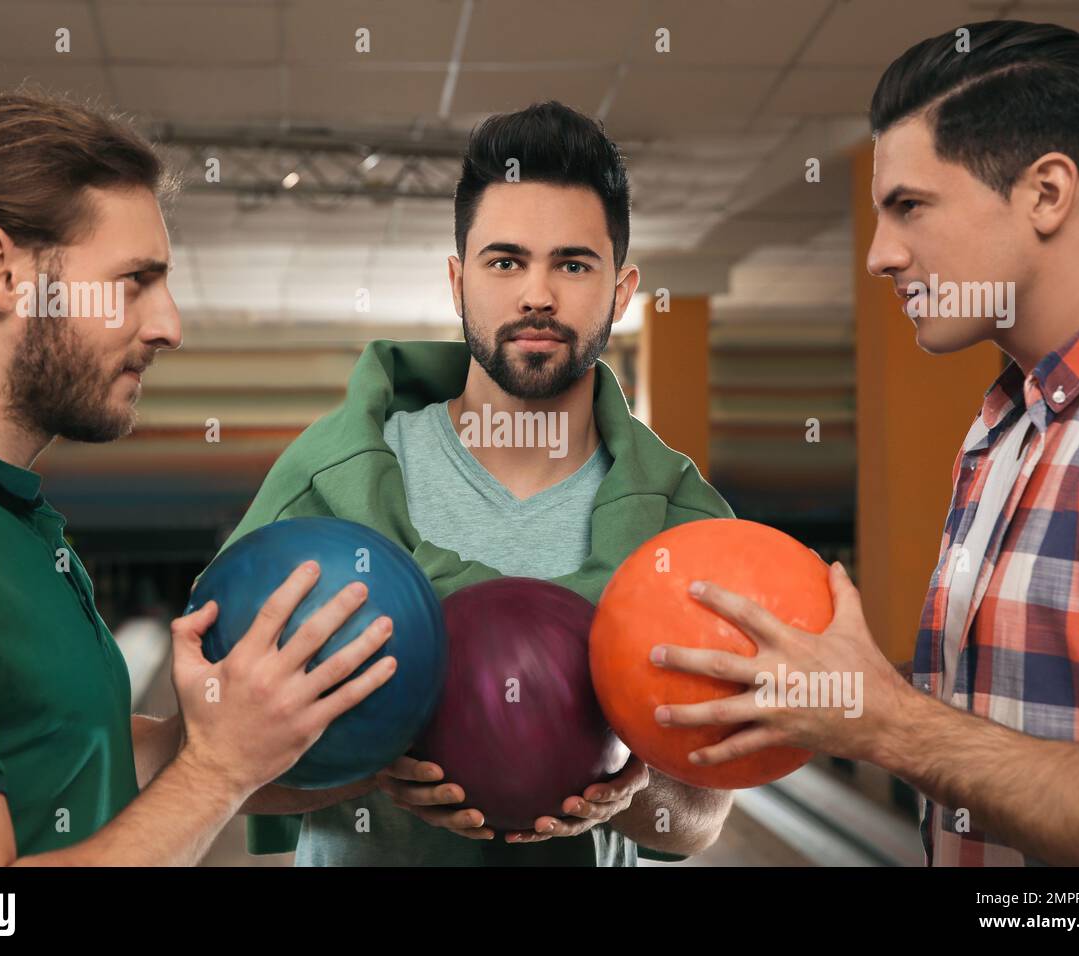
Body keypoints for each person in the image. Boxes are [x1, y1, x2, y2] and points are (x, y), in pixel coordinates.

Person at [650, 20, 1079, 866]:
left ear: (1046, 193)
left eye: (911, 207)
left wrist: (886, 722)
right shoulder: (1006, 422)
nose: (881, 256)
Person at [0, 91, 397, 865]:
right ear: (1, 270)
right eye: (133, 282)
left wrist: (350, 756)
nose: (169, 325)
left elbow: (78, 756)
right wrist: (218, 771)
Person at [223, 101, 736, 866]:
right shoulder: (334, 482)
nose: (537, 294)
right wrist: (371, 761)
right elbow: (220, 763)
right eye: (506, 262)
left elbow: (701, 819)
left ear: (621, 293)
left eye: (572, 264)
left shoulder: (683, 524)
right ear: (458, 283)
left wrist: (628, 792)